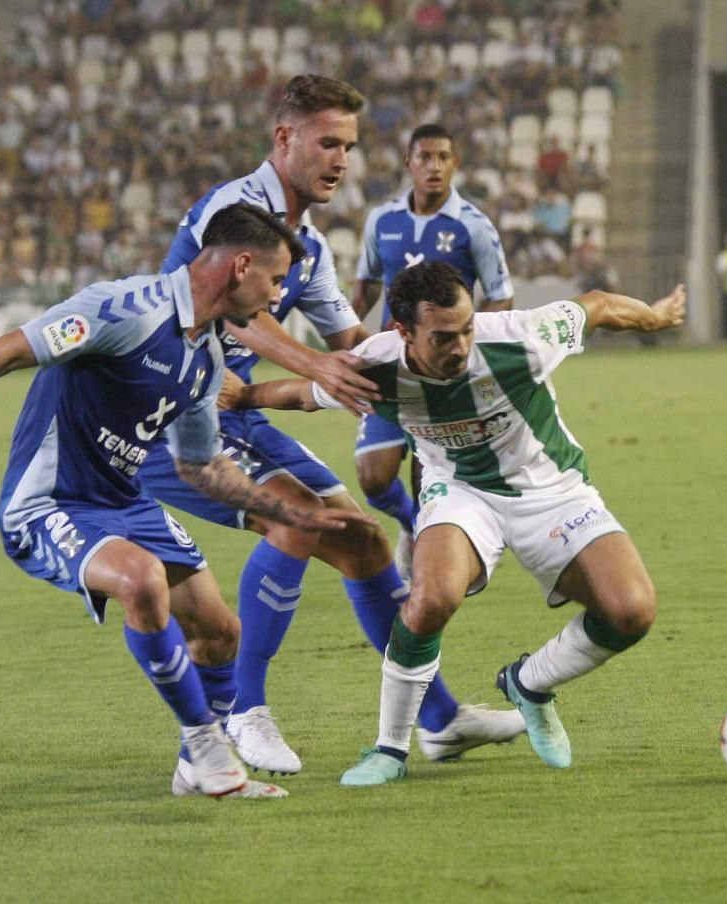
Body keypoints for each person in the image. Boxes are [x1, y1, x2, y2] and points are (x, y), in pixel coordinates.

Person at [0, 203, 373, 800]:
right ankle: (209, 751)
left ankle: (192, 767)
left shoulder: (205, 360)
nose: (278, 296)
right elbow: (6, 352)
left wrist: (289, 513)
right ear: (241, 266)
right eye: (276, 280)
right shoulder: (123, 309)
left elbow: (200, 465)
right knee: (140, 580)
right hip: (49, 502)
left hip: (124, 502)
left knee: (218, 631)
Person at [136, 77, 524, 776]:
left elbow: (349, 340)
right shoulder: (234, 209)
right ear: (284, 139)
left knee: (363, 541)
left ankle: (437, 719)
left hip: (230, 409)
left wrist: (433, 371)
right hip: (163, 412)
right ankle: (243, 712)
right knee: (299, 519)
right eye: (328, 142)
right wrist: (317, 365)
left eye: (349, 145)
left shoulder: (308, 245)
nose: (342, 159)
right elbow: (233, 313)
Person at [232, 261, 686, 785]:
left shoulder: (522, 339)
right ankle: (389, 750)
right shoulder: (375, 366)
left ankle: (529, 684)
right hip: (461, 492)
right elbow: (306, 396)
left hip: (553, 492)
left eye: (467, 329)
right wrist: (244, 395)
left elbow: (599, 304)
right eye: (444, 337)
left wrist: (654, 316)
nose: (461, 345)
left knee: (632, 612)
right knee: (430, 598)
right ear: (402, 331)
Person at [351, 123, 515, 575]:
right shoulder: (382, 220)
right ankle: (410, 525)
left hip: (445, 375)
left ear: (455, 164)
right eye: (425, 156)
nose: (434, 166)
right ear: (409, 163)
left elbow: (501, 294)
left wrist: (467, 347)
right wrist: (347, 341)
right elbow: (363, 286)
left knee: (432, 478)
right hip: (389, 368)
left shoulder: (474, 226)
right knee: (373, 476)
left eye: (443, 157)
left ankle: (431, 555)